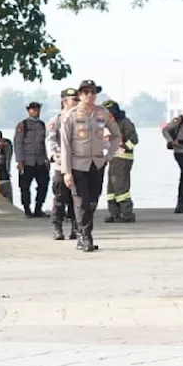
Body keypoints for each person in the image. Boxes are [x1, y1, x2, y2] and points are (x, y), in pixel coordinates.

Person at [57, 79, 123, 252]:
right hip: (78, 163)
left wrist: (109, 155)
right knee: (82, 202)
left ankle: (81, 233)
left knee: (93, 201)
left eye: (93, 92)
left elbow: (116, 135)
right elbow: (65, 145)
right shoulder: (70, 116)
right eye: (86, 92)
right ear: (80, 95)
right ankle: (86, 237)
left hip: (97, 163)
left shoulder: (103, 113)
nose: (90, 95)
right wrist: (66, 172)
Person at [47, 89, 79, 240]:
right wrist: (54, 155)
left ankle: (76, 228)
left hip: (78, 164)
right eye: (74, 99)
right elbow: (51, 140)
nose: (77, 102)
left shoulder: (81, 119)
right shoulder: (56, 120)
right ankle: (57, 228)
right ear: (64, 102)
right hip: (61, 165)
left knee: (77, 199)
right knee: (60, 198)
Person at [102, 100, 139, 223]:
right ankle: (115, 213)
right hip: (113, 159)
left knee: (121, 187)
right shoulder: (109, 124)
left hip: (123, 159)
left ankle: (127, 214)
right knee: (111, 189)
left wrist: (124, 147)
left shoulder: (125, 123)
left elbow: (134, 139)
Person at [15, 102, 49, 218]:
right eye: (34, 110)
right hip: (27, 161)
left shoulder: (41, 125)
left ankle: (38, 208)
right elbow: (18, 143)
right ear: (29, 111)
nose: (36, 112)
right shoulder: (23, 125)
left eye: (38, 110)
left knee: (44, 184)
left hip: (39, 160)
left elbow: (44, 143)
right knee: (24, 187)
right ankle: (27, 210)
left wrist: (47, 159)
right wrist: (19, 161)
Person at [0, 130, 14, 201]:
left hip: (4, 166)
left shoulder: (5, 144)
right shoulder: (0, 144)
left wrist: (8, 169)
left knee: (5, 183)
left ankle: (7, 199)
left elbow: (8, 157)